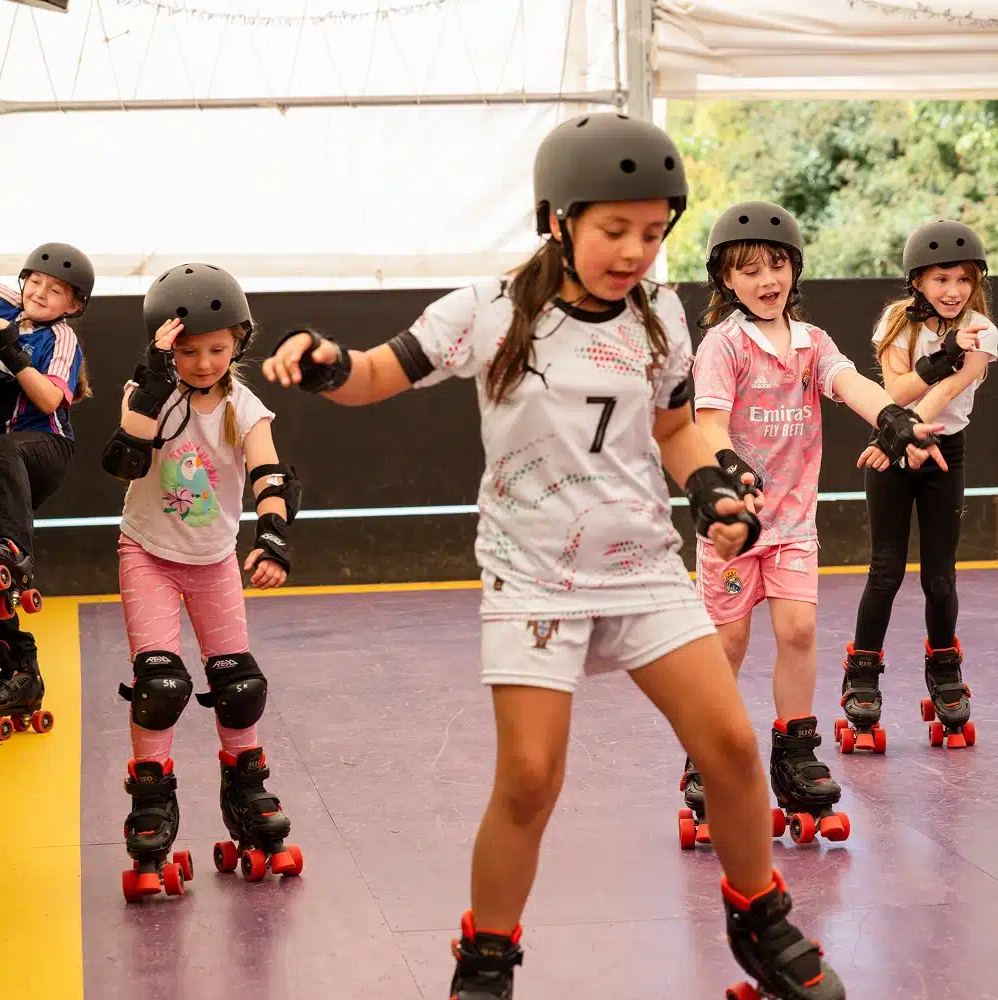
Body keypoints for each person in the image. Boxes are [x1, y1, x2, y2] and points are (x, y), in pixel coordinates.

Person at [264, 115, 849, 1000]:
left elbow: (674, 429)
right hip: (533, 574)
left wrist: (713, 492)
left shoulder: (659, 315)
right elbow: (380, 372)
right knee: (530, 779)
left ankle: (759, 916)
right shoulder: (490, 311)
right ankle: (486, 959)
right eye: (614, 230)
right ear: (558, 219)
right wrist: (325, 362)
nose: (635, 252)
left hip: (644, 567)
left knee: (730, 746)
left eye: (653, 233)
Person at [686, 201, 947, 844]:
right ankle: (706, 756)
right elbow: (710, 421)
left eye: (777, 264)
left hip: (793, 520)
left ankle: (796, 754)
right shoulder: (724, 345)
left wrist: (897, 421)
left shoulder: (812, 342)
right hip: (733, 522)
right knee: (729, 645)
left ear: (794, 269)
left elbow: (852, 384)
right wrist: (726, 465)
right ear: (726, 280)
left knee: (799, 630)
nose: (766, 279)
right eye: (748, 270)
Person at [101, 263, 304, 900]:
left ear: (239, 341)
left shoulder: (244, 405)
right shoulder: (148, 393)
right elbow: (124, 460)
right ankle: (152, 807)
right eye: (188, 351)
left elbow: (271, 474)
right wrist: (154, 384)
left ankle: (248, 795)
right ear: (165, 346)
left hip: (214, 558)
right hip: (150, 554)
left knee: (238, 683)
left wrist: (271, 538)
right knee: (160, 685)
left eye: (218, 349)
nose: (205, 362)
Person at [838, 220, 995, 752]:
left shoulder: (982, 328)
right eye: (941, 279)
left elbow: (956, 385)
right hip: (891, 448)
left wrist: (896, 435)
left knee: (940, 577)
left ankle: (945, 671)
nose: (953, 291)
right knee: (884, 570)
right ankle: (862, 675)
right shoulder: (896, 324)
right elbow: (896, 387)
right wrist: (896, 433)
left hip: (942, 455)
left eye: (963, 280)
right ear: (918, 283)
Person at [0, 243, 94, 738]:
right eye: (34, 281)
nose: (40, 292)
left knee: (2, 446)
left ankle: (14, 553)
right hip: (2, 469)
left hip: (43, 451)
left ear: (72, 304)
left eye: (55, 290)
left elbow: (51, 396)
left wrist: (8, 349)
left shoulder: (60, 336)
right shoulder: (5, 305)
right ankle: (21, 674)